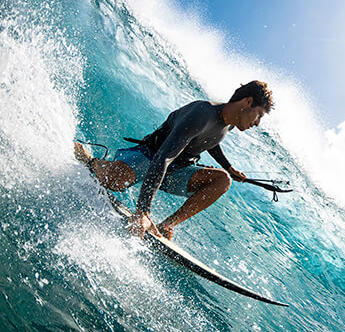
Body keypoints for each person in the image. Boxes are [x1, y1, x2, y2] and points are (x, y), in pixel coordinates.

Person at [74, 80, 274, 240]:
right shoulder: (202, 113)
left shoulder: (229, 124)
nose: (257, 123)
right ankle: (91, 160)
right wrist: (143, 211)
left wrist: (228, 168)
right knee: (114, 182)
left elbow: (211, 140)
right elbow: (163, 158)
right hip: (151, 154)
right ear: (247, 102)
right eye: (259, 116)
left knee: (222, 181)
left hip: (177, 168)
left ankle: (166, 225)